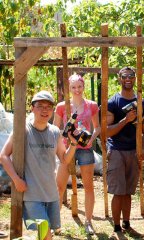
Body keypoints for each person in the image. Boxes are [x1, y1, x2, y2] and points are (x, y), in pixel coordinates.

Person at [0, 91, 77, 240]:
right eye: (40, 106)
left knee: (46, 234)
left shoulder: (55, 132)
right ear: (32, 108)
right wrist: (16, 180)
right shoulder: (23, 130)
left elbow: (64, 159)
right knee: (46, 233)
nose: (44, 110)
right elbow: (3, 156)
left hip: (51, 193)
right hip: (32, 193)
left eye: (48, 107)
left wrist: (74, 143)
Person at [54, 74, 100, 235]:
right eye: (73, 87)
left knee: (88, 186)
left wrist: (90, 138)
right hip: (67, 149)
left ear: (83, 86)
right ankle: (56, 223)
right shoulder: (61, 106)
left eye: (79, 86)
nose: (77, 90)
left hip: (85, 148)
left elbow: (97, 127)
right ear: (69, 89)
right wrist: (66, 133)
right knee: (59, 186)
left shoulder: (92, 105)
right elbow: (55, 129)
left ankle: (88, 221)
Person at [106, 67, 144, 239]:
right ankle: (117, 227)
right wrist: (125, 120)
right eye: (125, 76)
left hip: (133, 151)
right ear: (119, 79)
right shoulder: (113, 102)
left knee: (128, 191)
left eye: (131, 76)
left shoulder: (142, 104)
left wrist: (143, 148)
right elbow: (107, 131)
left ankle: (127, 223)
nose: (128, 79)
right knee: (118, 191)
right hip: (116, 150)